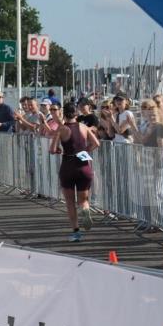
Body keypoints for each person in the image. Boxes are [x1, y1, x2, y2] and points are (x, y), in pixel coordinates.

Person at [50, 102, 100, 242]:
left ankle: (76, 232)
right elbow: (96, 143)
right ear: (76, 114)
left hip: (68, 166)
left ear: (63, 114)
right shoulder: (83, 127)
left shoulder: (61, 129)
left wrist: (60, 149)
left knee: (70, 202)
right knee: (83, 200)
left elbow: (52, 150)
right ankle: (85, 209)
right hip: (84, 166)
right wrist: (86, 150)